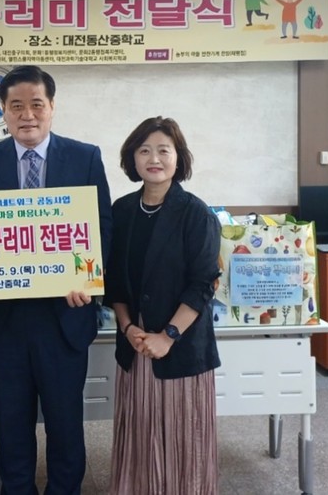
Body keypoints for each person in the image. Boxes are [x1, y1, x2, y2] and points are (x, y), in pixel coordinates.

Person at [0, 65, 113, 494]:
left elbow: (102, 226)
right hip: (7, 320)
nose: (27, 115)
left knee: (65, 424)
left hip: (65, 316)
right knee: (12, 424)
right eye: (16, 106)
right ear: (3, 112)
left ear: (52, 107)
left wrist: (88, 279)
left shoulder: (85, 156)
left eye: (36, 105)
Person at [103, 116, 221, 495]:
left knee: (181, 436)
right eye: (144, 150)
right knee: (140, 433)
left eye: (163, 151)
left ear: (178, 158)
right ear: (132, 159)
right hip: (136, 343)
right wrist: (127, 327)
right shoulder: (121, 211)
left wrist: (168, 336)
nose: (154, 159)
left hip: (180, 346)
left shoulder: (195, 213)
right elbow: (114, 281)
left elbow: (203, 284)